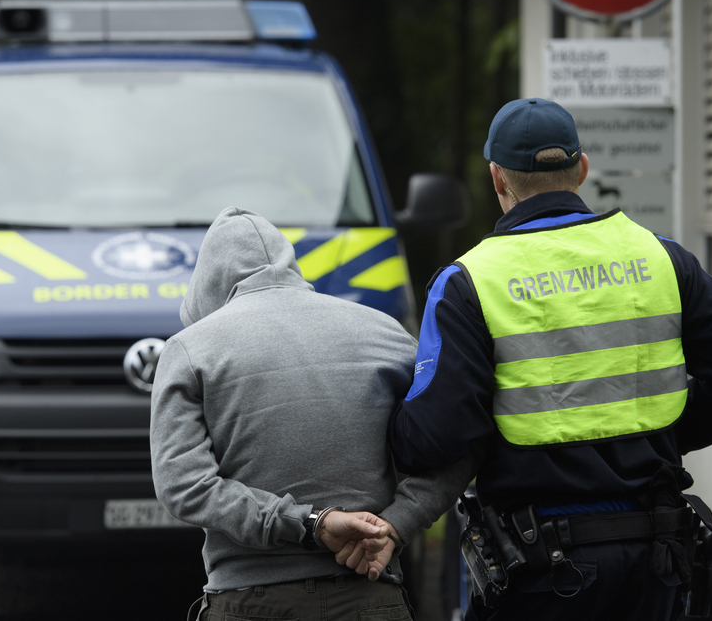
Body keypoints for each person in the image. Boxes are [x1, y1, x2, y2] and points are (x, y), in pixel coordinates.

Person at [388, 98, 712, 620]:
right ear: (583, 169)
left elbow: (436, 435)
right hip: (655, 560)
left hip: (539, 567)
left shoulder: (467, 283)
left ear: (497, 179)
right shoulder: (661, 258)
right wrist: (651, 430)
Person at [150, 207, 472, 621]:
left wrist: (310, 524)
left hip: (250, 603)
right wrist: (395, 524)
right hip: (371, 596)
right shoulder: (386, 333)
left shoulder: (190, 349)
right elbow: (460, 440)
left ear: (206, 286)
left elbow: (184, 485)